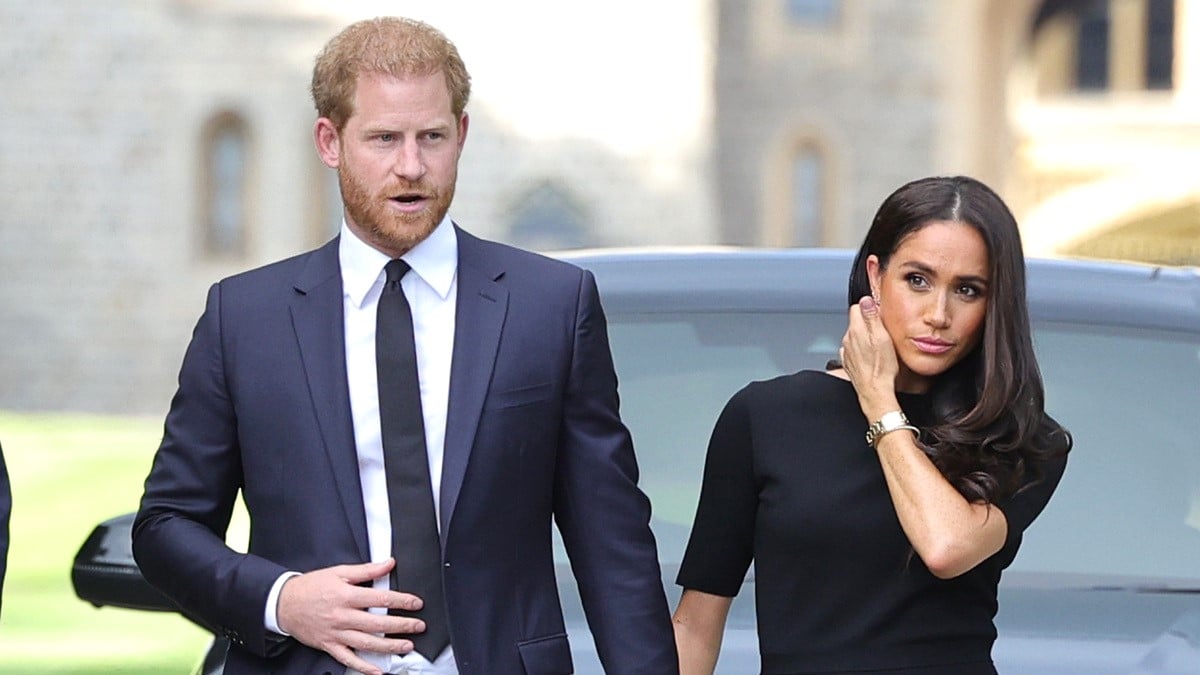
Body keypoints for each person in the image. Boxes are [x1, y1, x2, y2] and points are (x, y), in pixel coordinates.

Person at [133, 16, 677, 675]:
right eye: (385, 138)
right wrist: (282, 599)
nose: (412, 166)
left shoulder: (550, 306)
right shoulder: (244, 318)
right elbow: (166, 527)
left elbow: (611, 540)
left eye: (433, 137)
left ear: (463, 135)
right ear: (330, 140)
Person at [671, 175, 1071, 674]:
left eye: (967, 290)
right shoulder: (766, 417)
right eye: (918, 280)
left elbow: (946, 546)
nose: (938, 314)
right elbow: (695, 625)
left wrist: (879, 401)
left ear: (994, 305)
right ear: (876, 276)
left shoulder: (1021, 437)